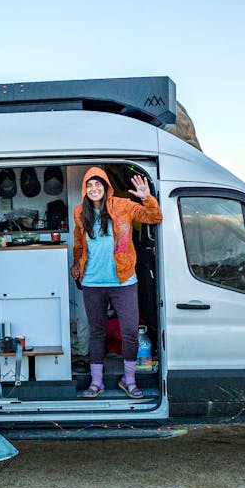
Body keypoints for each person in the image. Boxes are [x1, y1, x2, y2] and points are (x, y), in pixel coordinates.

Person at [70, 167, 163, 398]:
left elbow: (154, 217)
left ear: (106, 186)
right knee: (97, 332)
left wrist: (146, 197)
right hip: (92, 282)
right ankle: (97, 382)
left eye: (98, 184)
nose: (94, 189)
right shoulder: (80, 212)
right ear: (84, 189)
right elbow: (79, 244)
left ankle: (128, 379)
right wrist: (76, 263)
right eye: (89, 185)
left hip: (124, 280)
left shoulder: (122, 205)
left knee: (130, 332)